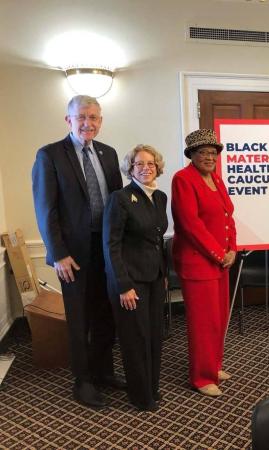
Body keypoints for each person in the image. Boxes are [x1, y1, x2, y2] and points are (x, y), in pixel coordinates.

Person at [32, 95, 125, 408]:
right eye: (82, 117)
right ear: (68, 120)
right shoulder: (50, 155)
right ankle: (83, 380)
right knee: (79, 318)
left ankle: (103, 371)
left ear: (101, 121)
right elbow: (46, 209)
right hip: (72, 256)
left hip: (107, 251)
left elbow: (117, 204)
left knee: (106, 314)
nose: (89, 123)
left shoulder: (109, 154)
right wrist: (58, 253)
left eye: (94, 117)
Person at [171, 129, 237, 397]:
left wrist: (233, 248)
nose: (209, 157)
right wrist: (219, 254)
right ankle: (201, 377)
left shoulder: (217, 179)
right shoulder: (183, 179)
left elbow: (227, 216)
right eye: (203, 153)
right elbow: (190, 225)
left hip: (220, 262)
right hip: (199, 263)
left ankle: (213, 365)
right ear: (192, 155)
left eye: (213, 153)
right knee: (203, 322)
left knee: (219, 318)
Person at [103, 145, 168, 411]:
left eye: (151, 163)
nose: (146, 168)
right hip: (130, 281)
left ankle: (151, 387)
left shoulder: (161, 197)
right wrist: (123, 285)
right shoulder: (120, 198)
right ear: (130, 169)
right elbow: (111, 245)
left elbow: (157, 239)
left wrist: (163, 273)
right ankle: (140, 396)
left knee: (154, 334)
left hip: (154, 277)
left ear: (158, 167)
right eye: (139, 164)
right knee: (135, 338)